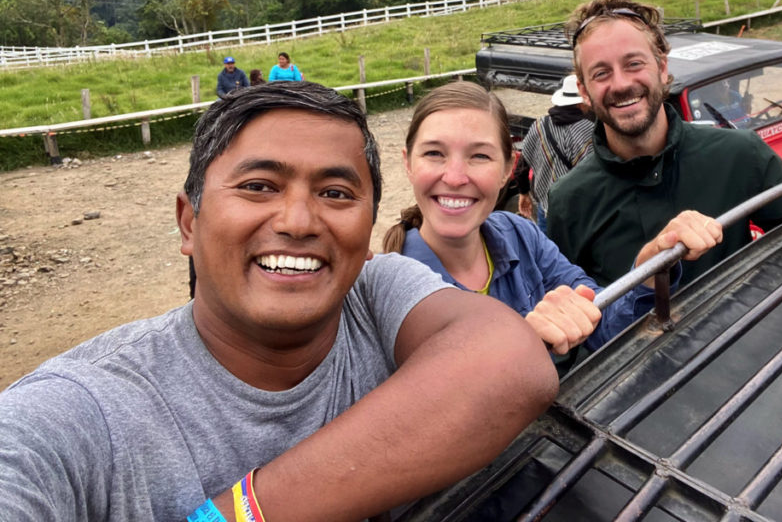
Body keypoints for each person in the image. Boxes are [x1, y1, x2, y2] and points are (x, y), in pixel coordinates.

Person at [0, 81, 557, 521]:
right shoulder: (74, 416)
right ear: (189, 221)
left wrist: (235, 515)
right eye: (258, 186)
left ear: (367, 236)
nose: (297, 221)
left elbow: (510, 361)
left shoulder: (375, 293)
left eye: (336, 194)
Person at [381, 81, 722, 356]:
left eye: (480, 156)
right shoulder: (384, 293)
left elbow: (604, 326)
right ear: (408, 163)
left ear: (507, 169)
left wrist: (650, 269)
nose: (455, 177)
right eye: (434, 154)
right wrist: (520, 345)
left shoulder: (521, 235)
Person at [546, 0, 782, 288]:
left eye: (634, 64)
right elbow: (574, 322)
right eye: (601, 73)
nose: (621, 84)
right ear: (584, 89)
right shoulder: (569, 200)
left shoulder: (739, 154)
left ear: (662, 68)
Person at [516, 74, 595, 233]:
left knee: (546, 255)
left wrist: (523, 193)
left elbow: (522, 166)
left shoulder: (539, 125)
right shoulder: (589, 131)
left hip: (546, 209)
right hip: (579, 217)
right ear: (581, 103)